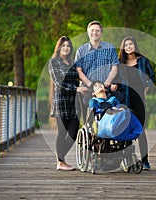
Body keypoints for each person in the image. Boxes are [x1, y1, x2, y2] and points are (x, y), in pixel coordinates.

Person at [48, 36, 88, 171]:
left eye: (68, 46)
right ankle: (61, 161)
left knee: (74, 132)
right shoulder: (54, 62)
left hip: (73, 103)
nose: (66, 48)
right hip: (61, 102)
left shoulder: (72, 62)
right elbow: (59, 82)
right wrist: (76, 88)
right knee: (62, 132)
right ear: (59, 47)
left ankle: (60, 159)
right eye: (63, 45)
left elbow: (78, 79)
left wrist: (84, 87)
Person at [117, 36, 156, 170]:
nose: (128, 47)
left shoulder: (143, 61)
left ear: (135, 46)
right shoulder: (120, 63)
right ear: (123, 47)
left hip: (139, 99)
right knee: (126, 129)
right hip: (125, 99)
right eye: (126, 44)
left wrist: (145, 91)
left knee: (140, 130)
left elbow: (151, 78)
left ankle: (145, 160)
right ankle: (128, 159)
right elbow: (116, 80)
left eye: (131, 44)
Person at [75, 20, 119, 91]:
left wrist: (108, 81)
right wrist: (90, 84)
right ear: (88, 33)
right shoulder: (81, 50)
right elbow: (78, 70)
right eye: (92, 30)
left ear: (101, 33)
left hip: (106, 89)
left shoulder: (110, 48)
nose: (94, 33)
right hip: (87, 89)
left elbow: (115, 67)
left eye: (97, 31)